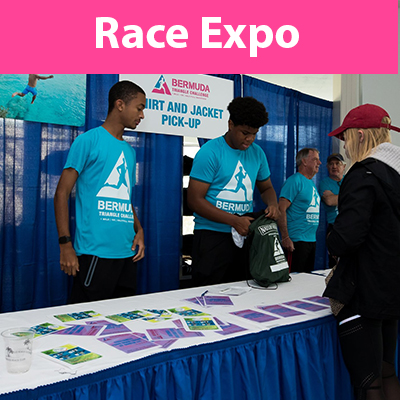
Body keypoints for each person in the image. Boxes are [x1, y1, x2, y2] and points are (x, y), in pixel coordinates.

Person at [323, 104, 400, 400]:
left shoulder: (363, 172)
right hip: (392, 287)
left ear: (359, 134)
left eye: (346, 138)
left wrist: (333, 240)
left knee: (368, 383)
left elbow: (347, 237)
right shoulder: (395, 173)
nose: (344, 145)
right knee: (387, 371)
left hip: (364, 289)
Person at [54, 80, 146, 303]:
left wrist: (139, 229)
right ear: (120, 104)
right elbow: (61, 193)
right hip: (95, 253)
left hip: (126, 253)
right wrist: (65, 244)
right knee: (87, 323)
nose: (142, 115)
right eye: (140, 108)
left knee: (123, 321)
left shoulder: (129, 150)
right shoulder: (88, 141)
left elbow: (124, 197)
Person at [187, 96, 280, 287]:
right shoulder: (210, 152)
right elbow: (194, 200)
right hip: (213, 236)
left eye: (254, 134)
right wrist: (233, 220)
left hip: (245, 235)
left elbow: (267, 188)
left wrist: (272, 204)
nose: (249, 139)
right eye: (245, 133)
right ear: (230, 124)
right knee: (208, 295)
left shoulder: (258, 153)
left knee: (244, 292)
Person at [277, 148, 321, 273]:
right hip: (296, 242)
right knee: (294, 281)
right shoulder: (294, 181)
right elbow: (281, 209)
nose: (319, 163)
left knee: (306, 281)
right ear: (304, 162)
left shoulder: (311, 183)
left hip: (310, 241)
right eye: (315, 160)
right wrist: (285, 237)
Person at [318, 153, 346, 267]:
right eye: (331, 164)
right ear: (327, 167)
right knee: (335, 264)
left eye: (337, 163)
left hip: (351, 226)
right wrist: (349, 196)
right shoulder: (324, 183)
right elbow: (329, 201)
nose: (334, 166)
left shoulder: (349, 180)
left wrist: (336, 196)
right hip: (334, 227)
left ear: (344, 166)